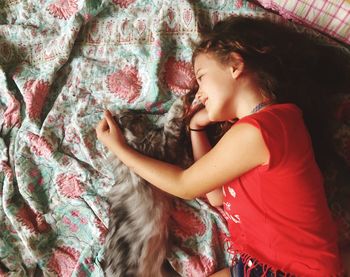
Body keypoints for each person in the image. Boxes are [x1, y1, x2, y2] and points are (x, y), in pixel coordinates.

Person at [96, 16, 348, 276]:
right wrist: (196, 128)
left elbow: (185, 185)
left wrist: (121, 151)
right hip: (259, 266)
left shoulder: (263, 129)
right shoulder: (258, 132)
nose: (199, 93)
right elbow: (216, 196)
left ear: (235, 65)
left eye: (202, 76)